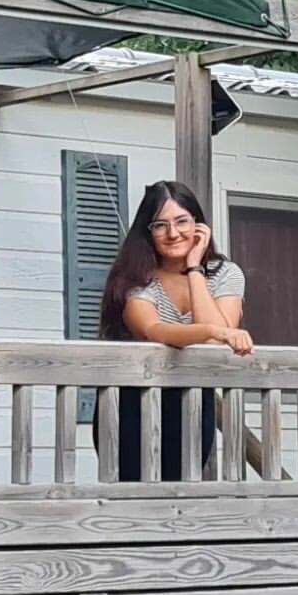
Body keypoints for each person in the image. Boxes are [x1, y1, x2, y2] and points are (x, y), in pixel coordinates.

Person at [95, 180, 253, 482]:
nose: (173, 233)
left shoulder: (225, 273)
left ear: (198, 225)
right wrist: (215, 331)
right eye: (160, 225)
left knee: (181, 494)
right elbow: (154, 330)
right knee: (129, 497)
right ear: (147, 232)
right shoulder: (134, 277)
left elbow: (214, 345)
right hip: (132, 401)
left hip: (193, 400)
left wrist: (194, 269)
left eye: (182, 221)